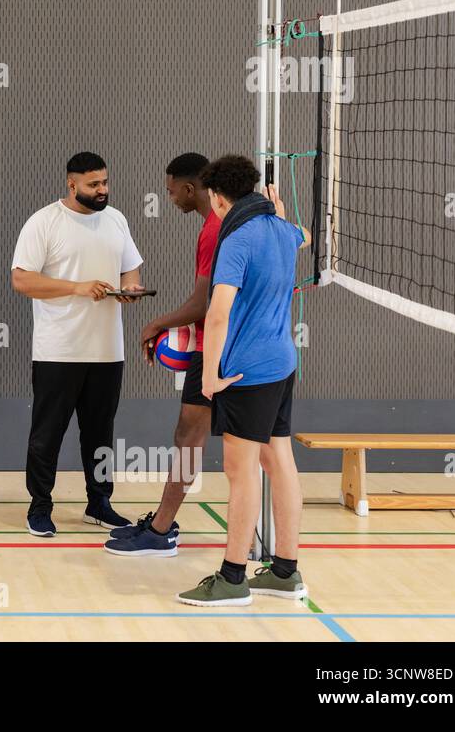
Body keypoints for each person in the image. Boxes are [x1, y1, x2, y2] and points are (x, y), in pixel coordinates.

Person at [176, 155, 311, 606]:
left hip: (245, 372)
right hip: (281, 363)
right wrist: (282, 213)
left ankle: (233, 578)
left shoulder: (236, 239)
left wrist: (210, 374)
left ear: (216, 198)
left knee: (241, 472)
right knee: (279, 462)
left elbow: (217, 314)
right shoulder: (280, 230)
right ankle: (286, 573)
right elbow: (304, 237)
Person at [11, 151, 147, 537]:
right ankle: (40, 507)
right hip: (59, 350)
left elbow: (130, 264)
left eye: (105, 182)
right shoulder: (44, 222)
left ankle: (99, 503)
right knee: (47, 434)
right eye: (93, 184)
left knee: (100, 433)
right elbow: (22, 280)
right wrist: (77, 288)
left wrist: (130, 287)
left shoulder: (116, 219)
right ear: (72, 185)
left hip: (108, 350)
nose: (102, 190)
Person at [107, 152, 218, 557]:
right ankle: (162, 525)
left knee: (190, 438)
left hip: (217, 351)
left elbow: (204, 303)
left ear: (190, 189)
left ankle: (161, 531)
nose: (169, 199)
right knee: (199, 439)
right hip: (232, 349)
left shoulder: (212, 231)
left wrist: (159, 323)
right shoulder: (228, 223)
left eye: (171, 192)